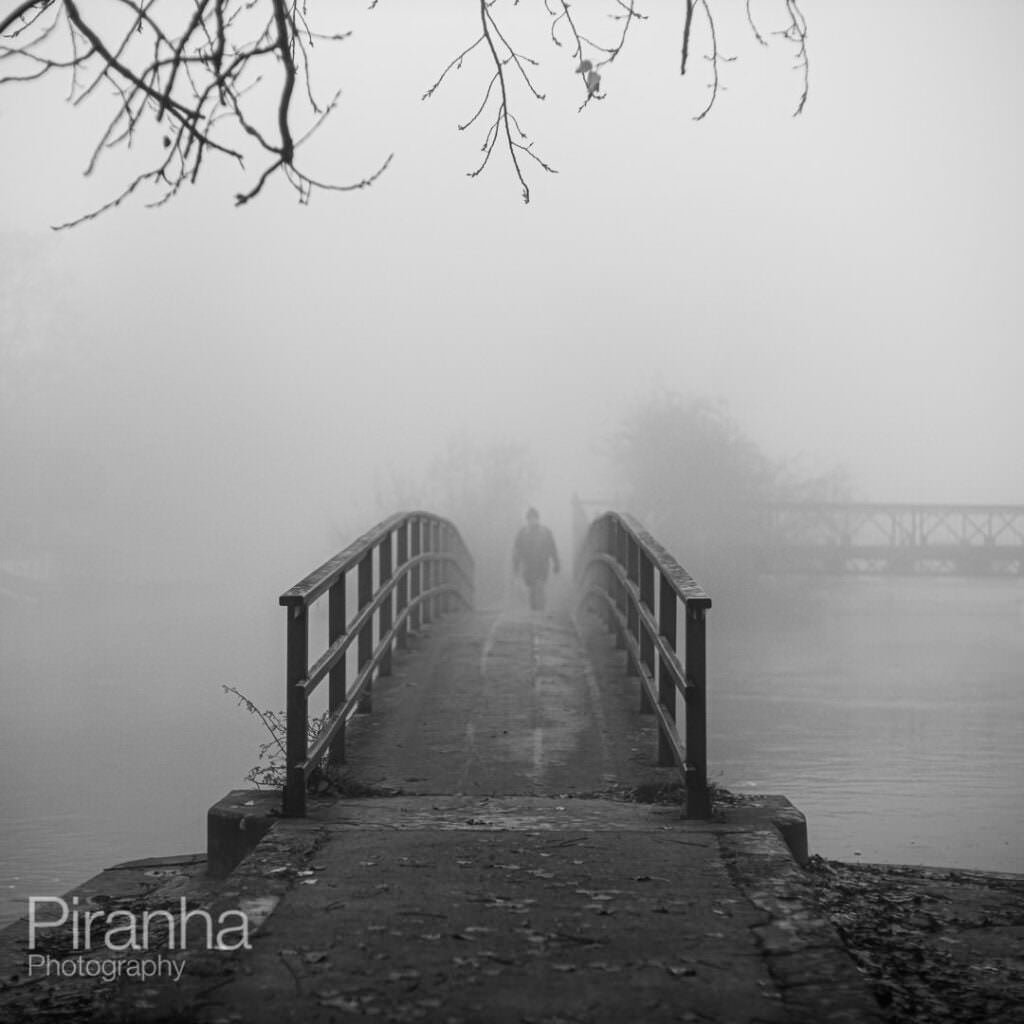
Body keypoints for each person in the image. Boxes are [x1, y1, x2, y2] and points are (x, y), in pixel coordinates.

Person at [513, 508, 560, 611]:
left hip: (542, 566)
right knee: (532, 590)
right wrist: (516, 566)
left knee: (539, 587)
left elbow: (552, 548)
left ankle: (540, 611)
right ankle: (535, 611)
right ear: (527, 520)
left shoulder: (545, 532)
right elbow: (517, 551)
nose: (532, 520)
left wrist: (556, 563)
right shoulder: (522, 533)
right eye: (530, 518)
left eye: (534, 518)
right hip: (528, 567)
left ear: (537, 519)